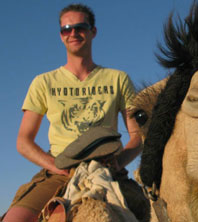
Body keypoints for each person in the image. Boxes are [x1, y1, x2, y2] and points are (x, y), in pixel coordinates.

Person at [3, 4, 142, 222]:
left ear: (93, 31)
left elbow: (137, 134)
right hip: (58, 169)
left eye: (80, 27)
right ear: (61, 36)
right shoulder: (44, 82)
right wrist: (54, 166)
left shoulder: (118, 79)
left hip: (108, 168)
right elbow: (23, 141)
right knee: (15, 219)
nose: (73, 33)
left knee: (155, 213)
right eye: (66, 29)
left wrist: (118, 163)